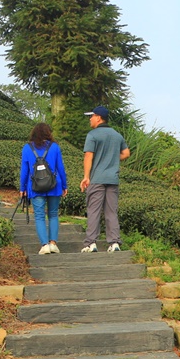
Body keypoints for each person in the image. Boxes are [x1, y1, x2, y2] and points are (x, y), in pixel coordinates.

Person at [79, 105, 130, 253]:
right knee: (111, 211)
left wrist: (86, 177)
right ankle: (114, 242)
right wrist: (113, 159)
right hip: (112, 179)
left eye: (92, 116)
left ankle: (91, 243)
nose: (90, 119)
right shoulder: (116, 135)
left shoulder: (93, 135)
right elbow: (126, 153)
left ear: (99, 118)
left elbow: (88, 155)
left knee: (94, 211)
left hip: (97, 179)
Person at [19, 122, 68, 255]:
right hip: (54, 185)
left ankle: (44, 245)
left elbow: (24, 170)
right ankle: (53, 244)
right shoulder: (55, 147)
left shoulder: (27, 148)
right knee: (53, 214)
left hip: (35, 187)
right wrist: (64, 185)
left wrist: (22, 187)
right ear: (48, 133)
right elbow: (61, 168)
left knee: (40, 216)